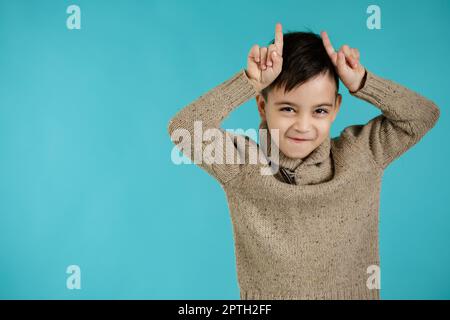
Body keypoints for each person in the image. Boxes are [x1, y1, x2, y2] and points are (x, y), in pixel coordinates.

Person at [167, 23, 440, 300]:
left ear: (336, 109)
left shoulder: (362, 154)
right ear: (262, 106)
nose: (303, 125)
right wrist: (248, 82)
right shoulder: (242, 165)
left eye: (320, 110)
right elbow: (185, 128)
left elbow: (423, 115)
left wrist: (364, 82)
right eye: (288, 108)